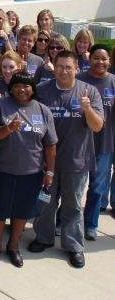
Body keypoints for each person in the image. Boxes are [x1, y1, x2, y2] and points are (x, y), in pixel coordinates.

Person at [30, 50, 104, 268]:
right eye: (60, 66)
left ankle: (74, 246)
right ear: (53, 66)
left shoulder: (89, 92)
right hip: (46, 162)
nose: (64, 71)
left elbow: (97, 126)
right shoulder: (42, 90)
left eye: (69, 67)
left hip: (76, 161)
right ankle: (43, 237)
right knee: (46, 203)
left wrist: (87, 108)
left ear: (76, 68)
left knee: (73, 205)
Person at [0, 72, 57, 268]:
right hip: (4, 169)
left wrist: (49, 173)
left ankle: (13, 245)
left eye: (26, 86)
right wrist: (9, 128)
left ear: (33, 89)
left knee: (22, 211)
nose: (22, 89)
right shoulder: (1, 105)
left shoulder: (43, 110)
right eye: (17, 86)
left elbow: (50, 144)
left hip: (32, 171)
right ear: (11, 88)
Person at [76, 45, 115, 241]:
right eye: (96, 58)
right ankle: (62, 220)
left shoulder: (113, 81)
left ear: (109, 61)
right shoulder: (79, 80)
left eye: (104, 59)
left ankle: (90, 224)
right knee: (75, 188)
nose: (100, 62)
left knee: (97, 187)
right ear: (88, 59)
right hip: (80, 143)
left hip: (104, 144)